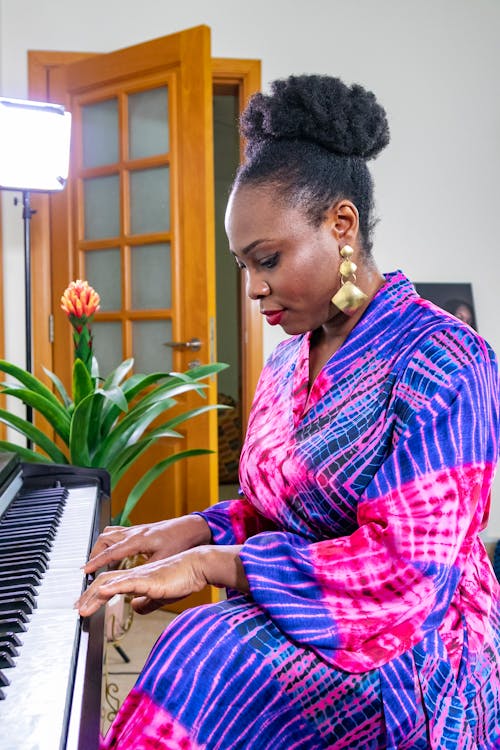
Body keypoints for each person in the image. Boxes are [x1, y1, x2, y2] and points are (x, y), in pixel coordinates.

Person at [77, 75, 500, 749]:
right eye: (244, 264)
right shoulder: (287, 360)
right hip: (308, 609)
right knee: (200, 651)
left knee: (207, 658)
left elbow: (404, 576)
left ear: (341, 225)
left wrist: (214, 564)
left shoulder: (447, 360)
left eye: (267, 259)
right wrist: (192, 528)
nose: (254, 289)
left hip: (409, 649)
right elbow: (277, 509)